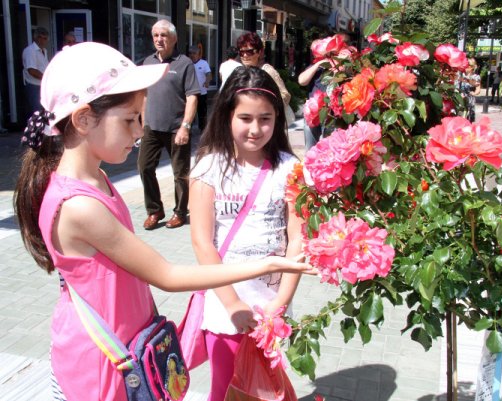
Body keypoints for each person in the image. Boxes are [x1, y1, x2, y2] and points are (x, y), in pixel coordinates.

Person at [13, 42, 314, 401]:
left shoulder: (97, 180)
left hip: (123, 350)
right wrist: (265, 264)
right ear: (82, 118)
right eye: (130, 119)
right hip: (100, 367)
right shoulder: (79, 205)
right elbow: (167, 276)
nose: (140, 131)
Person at [189, 66, 303, 401]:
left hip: (271, 310)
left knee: (264, 388)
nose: (256, 129)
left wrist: (280, 304)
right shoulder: (207, 167)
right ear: (227, 116)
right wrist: (233, 303)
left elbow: (297, 238)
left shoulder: (290, 168)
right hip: (226, 308)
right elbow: (201, 240)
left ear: (277, 119)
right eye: (246, 118)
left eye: (265, 119)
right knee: (225, 389)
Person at [138, 19, 200, 230]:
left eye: (163, 35)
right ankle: (154, 210)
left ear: (174, 38)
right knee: (144, 167)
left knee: (180, 174)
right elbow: (144, 96)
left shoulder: (184, 64)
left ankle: (180, 212)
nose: (159, 39)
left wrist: (186, 126)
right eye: (156, 35)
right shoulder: (147, 62)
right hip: (151, 128)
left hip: (176, 128)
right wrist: (143, 123)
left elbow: (192, 97)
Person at [236, 32, 294, 126]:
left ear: (259, 52)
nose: (245, 56)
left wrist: (267, 108)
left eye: (250, 52)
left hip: (266, 124)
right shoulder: (240, 73)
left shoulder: (267, 71)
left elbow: (285, 95)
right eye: (242, 52)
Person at [22, 26, 49, 117]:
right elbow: (31, 70)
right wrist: (46, 78)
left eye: (45, 38)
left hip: (42, 86)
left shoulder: (44, 51)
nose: (43, 41)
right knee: (37, 112)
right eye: (41, 38)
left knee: (44, 111)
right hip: (34, 86)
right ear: (36, 38)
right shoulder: (30, 51)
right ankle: (36, 130)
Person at [188, 44, 212, 132]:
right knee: (190, 112)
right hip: (190, 93)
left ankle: (203, 130)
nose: (192, 55)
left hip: (202, 93)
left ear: (198, 54)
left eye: (194, 53)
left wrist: (207, 81)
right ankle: (188, 129)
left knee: (202, 113)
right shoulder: (187, 63)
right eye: (190, 53)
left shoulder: (204, 63)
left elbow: (209, 74)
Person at [459, 58, 481, 122]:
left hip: (469, 100)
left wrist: (474, 93)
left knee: (468, 120)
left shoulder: (476, 77)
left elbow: (478, 89)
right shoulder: (460, 75)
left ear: (472, 67)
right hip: (459, 99)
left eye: (468, 65)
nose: (466, 67)